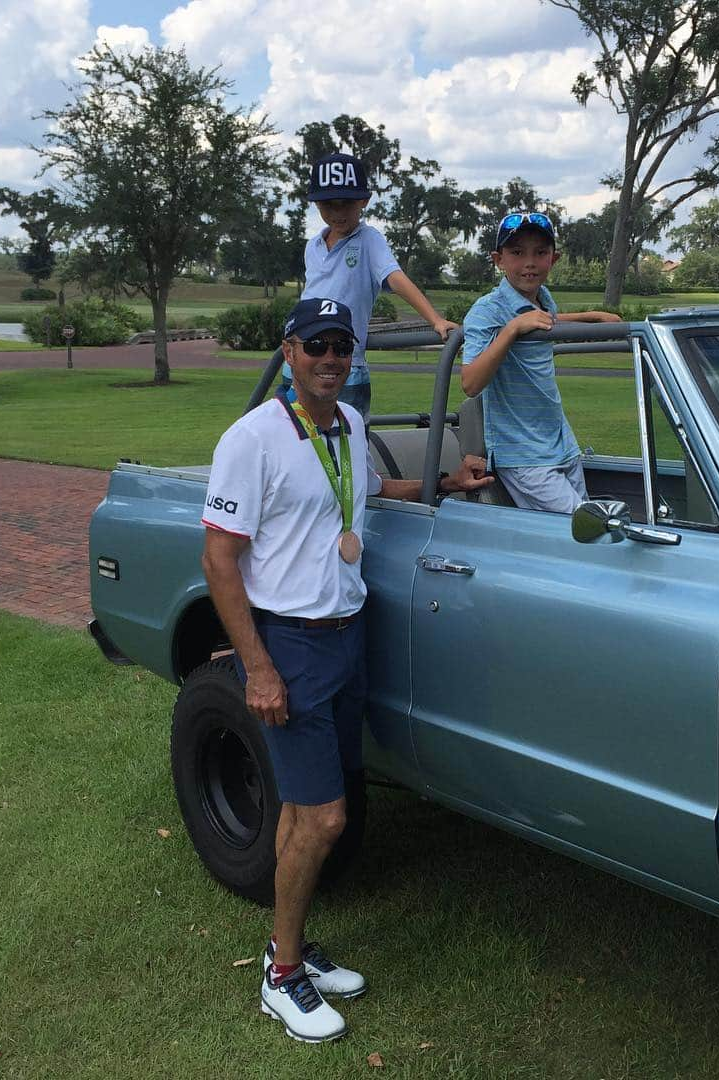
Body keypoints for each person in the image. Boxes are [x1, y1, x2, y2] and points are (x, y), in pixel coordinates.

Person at [201, 297, 491, 1045]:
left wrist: (441, 487)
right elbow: (220, 559)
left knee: (307, 811)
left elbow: (356, 495)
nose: (331, 358)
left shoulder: (350, 426)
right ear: (290, 351)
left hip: (346, 633)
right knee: (325, 818)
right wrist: (259, 668)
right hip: (291, 645)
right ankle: (282, 977)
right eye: (317, 345)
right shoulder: (252, 438)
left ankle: (286, 948)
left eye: (342, 346)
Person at [460, 211, 622, 514]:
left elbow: (547, 321)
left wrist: (590, 317)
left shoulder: (543, 300)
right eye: (517, 253)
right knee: (586, 528)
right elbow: (470, 383)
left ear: (554, 259)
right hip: (522, 452)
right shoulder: (487, 311)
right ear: (498, 259)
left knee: (584, 530)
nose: (529, 262)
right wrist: (511, 330)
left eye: (540, 252)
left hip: (561, 442)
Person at [281, 152, 458, 420]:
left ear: (363, 201)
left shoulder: (368, 240)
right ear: (317, 204)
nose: (338, 212)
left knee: (349, 438)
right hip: (303, 356)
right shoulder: (313, 246)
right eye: (329, 204)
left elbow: (395, 278)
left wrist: (435, 319)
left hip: (344, 363)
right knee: (290, 430)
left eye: (346, 203)